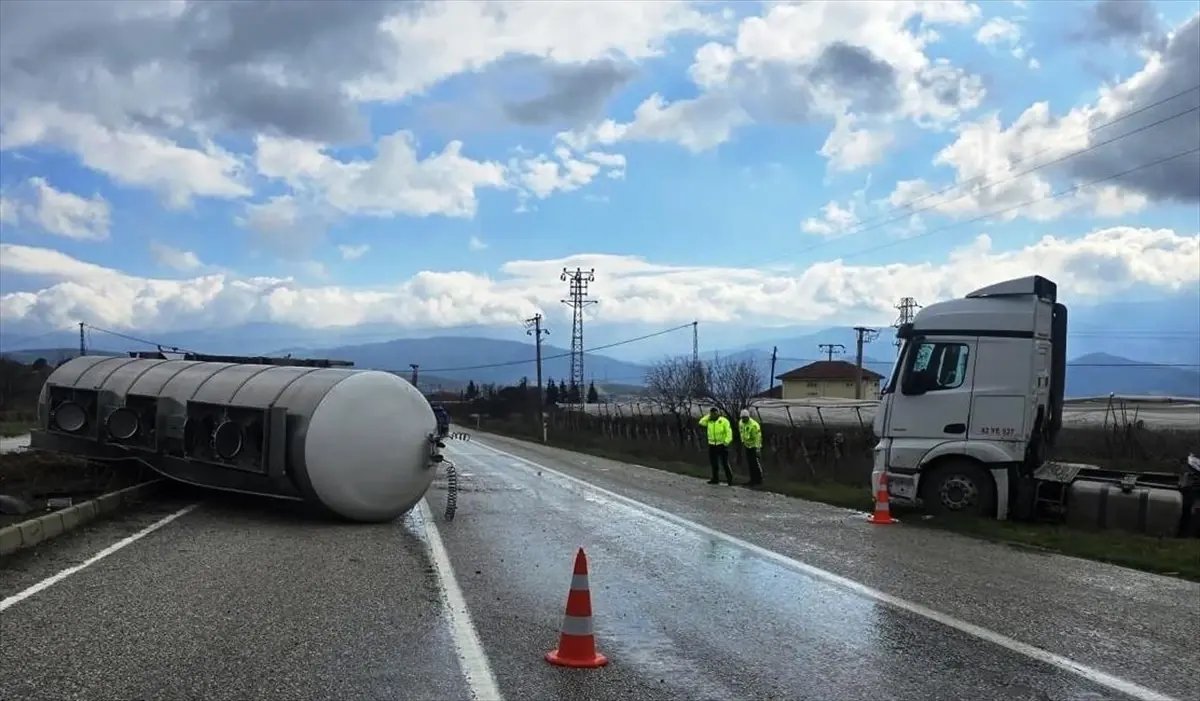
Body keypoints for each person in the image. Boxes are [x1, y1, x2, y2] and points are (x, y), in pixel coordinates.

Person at [698, 407, 733, 486]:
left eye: (715, 413)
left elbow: (728, 432)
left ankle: (730, 479)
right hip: (712, 444)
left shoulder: (723, 421)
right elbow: (701, 422)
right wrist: (708, 416)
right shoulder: (709, 421)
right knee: (714, 463)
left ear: (717, 413)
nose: (713, 415)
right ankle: (715, 479)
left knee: (725, 463)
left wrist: (726, 442)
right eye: (712, 414)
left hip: (722, 444)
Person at [738, 409, 763, 487]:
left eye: (745, 418)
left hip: (754, 446)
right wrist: (743, 441)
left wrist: (757, 449)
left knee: (755, 463)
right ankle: (752, 479)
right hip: (747, 445)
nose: (743, 419)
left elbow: (758, 438)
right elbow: (741, 432)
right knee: (750, 463)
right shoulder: (741, 423)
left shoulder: (754, 425)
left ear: (748, 417)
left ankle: (758, 479)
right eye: (742, 418)